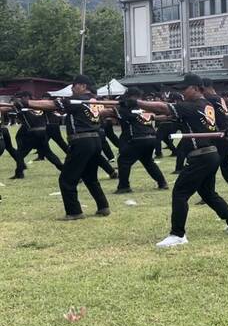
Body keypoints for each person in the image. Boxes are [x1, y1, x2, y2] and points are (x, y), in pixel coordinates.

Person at [127, 73, 228, 247]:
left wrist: (136, 103)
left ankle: (178, 234)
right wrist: (140, 111)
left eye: (184, 89)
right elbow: (166, 114)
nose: (182, 93)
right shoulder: (206, 105)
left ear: (196, 88)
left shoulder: (192, 105)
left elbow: (165, 107)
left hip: (201, 156)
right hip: (210, 154)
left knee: (180, 193)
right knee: (208, 193)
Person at [20, 75, 110, 220]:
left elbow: (51, 105)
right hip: (95, 140)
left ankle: (74, 212)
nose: (72, 90)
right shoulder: (95, 101)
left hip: (81, 141)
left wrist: (27, 103)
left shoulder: (77, 101)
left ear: (82, 86)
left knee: (67, 180)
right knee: (90, 177)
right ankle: (103, 206)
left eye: (74, 86)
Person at [107, 88, 169, 194]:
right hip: (151, 137)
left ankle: (124, 186)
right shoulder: (145, 107)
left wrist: (117, 107)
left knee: (124, 161)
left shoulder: (124, 108)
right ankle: (162, 182)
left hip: (136, 138)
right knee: (148, 161)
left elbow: (112, 113)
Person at [202, 79, 228, 202]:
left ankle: (208, 195)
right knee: (226, 165)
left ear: (205, 88)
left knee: (211, 166)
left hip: (219, 136)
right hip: (227, 134)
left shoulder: (210, 100)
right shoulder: (219, 98)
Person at [9, 91, 64, 179]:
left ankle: (19, 173)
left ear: (26, 97)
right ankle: (65, 170)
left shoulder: (22, 106)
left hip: (32, 132)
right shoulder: (40, 105)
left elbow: (17, 114)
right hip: (43, 131)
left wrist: (15, 103)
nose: (21, 99)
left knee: (19, 154)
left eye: (22, 97)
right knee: (49, 154)